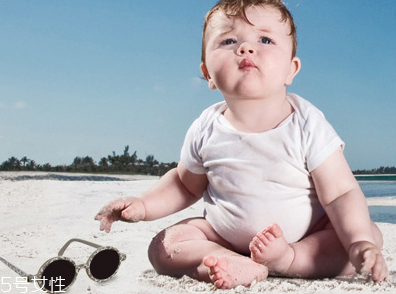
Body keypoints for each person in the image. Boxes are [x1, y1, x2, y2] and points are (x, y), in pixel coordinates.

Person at [95, 0, 388, 289]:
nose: (246, 48)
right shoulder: (205, 126)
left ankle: (287, 260)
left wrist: (358, 241)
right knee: (164, 246)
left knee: (366, 238)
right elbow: (185, 186)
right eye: (229, 40)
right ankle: (228, 261)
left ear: (290, 69)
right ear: (208, 73)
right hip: (225, 238)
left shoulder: (307, 122)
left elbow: (340, 194)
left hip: (305, 238)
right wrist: (144, 204)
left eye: (265, 39)